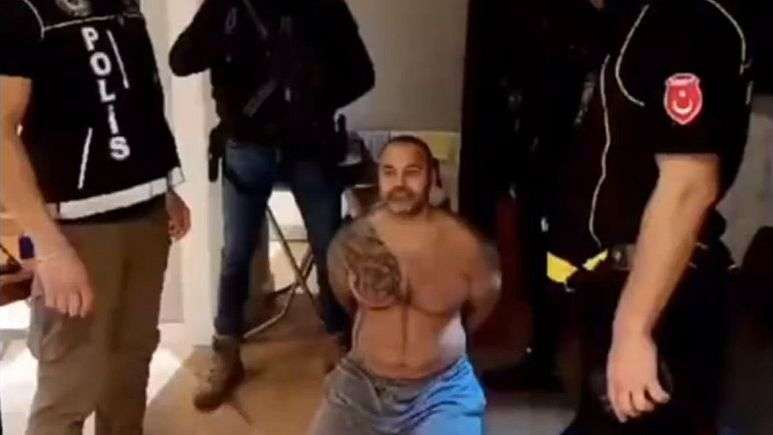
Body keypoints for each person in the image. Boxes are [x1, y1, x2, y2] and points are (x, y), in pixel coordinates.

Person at [544, 0, 754, 433]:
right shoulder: (631, 24)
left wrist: (633, 329)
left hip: (662, 296)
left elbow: (689, 184)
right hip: (615, 286)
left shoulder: (683, 23)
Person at [169, 0, 375, 411]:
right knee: (236, 254)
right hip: (247, 145)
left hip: (310, 146)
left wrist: (315, 95)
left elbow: (362, 75)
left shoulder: (324, 6)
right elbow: (181, 61)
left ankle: (341, 343)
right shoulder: (226, 6)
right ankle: (226, 350)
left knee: (329, 248)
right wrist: (220, 24)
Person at [0, 0, 191, 433]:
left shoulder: (124, 3)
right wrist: (49, 248)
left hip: (146, 217)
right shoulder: (22, 12)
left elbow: (134, 101)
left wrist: (163, 185)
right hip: (77, 230)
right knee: (71, 381)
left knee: (130, 366)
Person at [308, 136, 502, 435]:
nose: (399, 183)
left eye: (412, 172)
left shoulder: (466, 245)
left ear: (432, 176)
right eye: (389, 172)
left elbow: (484, 302)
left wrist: (443, 339)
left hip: (442, 389)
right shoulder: (353, 241)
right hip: (361, 383)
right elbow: (345, 298)